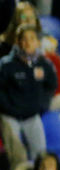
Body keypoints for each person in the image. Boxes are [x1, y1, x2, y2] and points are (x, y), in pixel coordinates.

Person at [0, 24, 56, 159]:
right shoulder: (7, 64)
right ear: (18, 42)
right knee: (17, 157)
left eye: (32, 38)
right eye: (24, 39)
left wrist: (41, 105)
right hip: (10, 116)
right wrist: (8, 108)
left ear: (37, 42)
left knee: (41, 156)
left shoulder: (44, 64)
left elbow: (52, 86)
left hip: (32, 116)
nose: (28, 42)